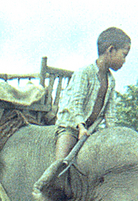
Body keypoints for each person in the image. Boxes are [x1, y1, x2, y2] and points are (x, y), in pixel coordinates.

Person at [52, 27, 131, 163]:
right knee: (60, 163)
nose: (124, 61)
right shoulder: (84, 73)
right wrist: (81, 127)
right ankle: (46, 183)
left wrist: (113, 134)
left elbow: (110, 114)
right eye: (124, 55)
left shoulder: (111, 81)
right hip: (72, 127)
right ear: (111, 50)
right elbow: (75, 104)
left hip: (91, 130)